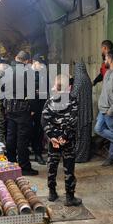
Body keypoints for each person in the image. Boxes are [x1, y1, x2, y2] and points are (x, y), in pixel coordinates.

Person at [41, 74, 81, 206]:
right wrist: (64, 137)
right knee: (69, 168)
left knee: (52, 166)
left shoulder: (50, 101)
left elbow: (44, 120)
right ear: (69, 88)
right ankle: (70, 197)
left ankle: (52, 192)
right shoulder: (73, 101)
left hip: (54, 143)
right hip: (67, 141)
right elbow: (73, 122)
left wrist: (52, 137)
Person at [4, 51, 39, 176]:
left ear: (16, 58)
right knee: (22, 139)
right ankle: (24, 166)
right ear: (26, 61)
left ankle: (11, 163)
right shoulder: (26, 71)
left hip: (9, 107)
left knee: (11, 136)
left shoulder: (7, 70)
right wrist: (34, 108)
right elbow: (31, 92)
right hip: (22, 109)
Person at [71, 62, 93, 163]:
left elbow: (74, 94)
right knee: (86, 135)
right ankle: (85, 155)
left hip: (81, 111)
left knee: (80, 135)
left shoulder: (79, 80)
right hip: (88, 111)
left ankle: (79, 156)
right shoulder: (87, 78)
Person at [30, 54, 48, 165]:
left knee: (39, 130)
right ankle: (34, 151)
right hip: (32, 108)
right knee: (32, 131)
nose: (41, 66)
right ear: (34, 62)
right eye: (40, 64)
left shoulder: (42, 73)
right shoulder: (28, 74)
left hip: (41, 106)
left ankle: (38, 152)